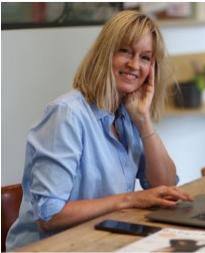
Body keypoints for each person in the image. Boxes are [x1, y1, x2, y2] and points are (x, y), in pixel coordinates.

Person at [6, 10, 193, 251]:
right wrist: (130, 199)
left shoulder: (128, 113)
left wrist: (144, 119)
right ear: (105, 53)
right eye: (125, 51)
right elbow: (49, 216)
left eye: (145, 57)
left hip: (102, 241)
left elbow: (165, 184)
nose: (135, 64)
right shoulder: (67, 114)